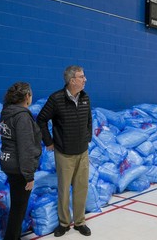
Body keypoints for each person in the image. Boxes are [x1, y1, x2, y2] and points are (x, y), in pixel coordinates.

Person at [37, 65, 92, 237]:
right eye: (81, 77)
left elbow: (89, 119)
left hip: (82, 151)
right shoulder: (56, 99)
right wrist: (48, 141)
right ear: (72, 81)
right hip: (64, 153)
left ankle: (80, 222)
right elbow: (41, 119)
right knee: (64, 189)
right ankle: (64, 223)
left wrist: (87, 137)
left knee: (81, 188)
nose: (85, 79)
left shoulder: (85, 97)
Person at [0, 82, 42, 240]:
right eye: (31, 94)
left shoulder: (7, 112)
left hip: (8, 162)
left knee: (17, 205)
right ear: (27, 97)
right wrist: (29, 175)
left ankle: (13, 236)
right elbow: (26, 148)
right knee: (19, 208)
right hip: (19, 167)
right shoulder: (22, 116)